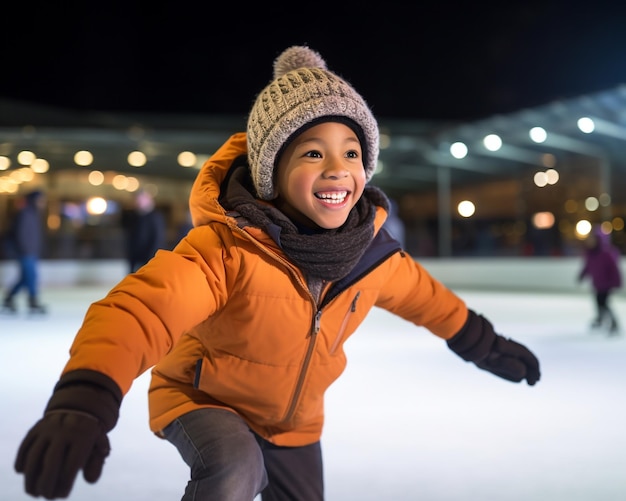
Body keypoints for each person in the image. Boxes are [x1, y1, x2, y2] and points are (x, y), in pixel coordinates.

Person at [14, 46, 541, 501]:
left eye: (352, 153)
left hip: (294, 422)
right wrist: (85, 397)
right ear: (272, 172)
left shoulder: (370, 256)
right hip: (203, 398)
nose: (338, 168)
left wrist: (482, 342)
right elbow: (142, 309)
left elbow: (426, 298)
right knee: (236, 466)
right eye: (313, 153)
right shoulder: (228, 249)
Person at [1, 189, 47, 314]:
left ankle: (8, 299)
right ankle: (33, 302)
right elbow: (21, 234)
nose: (42, 203)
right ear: (34, 200)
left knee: (24, 278)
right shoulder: (25, 214)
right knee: (31, 277)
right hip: (26, 252)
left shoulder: (33, 214)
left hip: (30, 252)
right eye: (40, 200)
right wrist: (26, 249)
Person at [578, 225, 622, 335]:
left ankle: (613, 322)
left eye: (593, 240)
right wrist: (582, 275)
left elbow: (614, 269)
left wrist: (616, 282)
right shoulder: (590, 254)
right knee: (598, 302)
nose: (590, 242)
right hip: (597, 284)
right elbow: (588, 266)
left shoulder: (606, 254)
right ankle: (600, 319)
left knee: (603, 303)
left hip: (606, 284)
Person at [122, 189, 167, 273]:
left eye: (140, 200)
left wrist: (150, 260)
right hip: (135, 259)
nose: (138, 202)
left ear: (147, 200)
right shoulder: (135, 217)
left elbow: (157, 240)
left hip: (149, 260)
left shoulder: (155, 217)